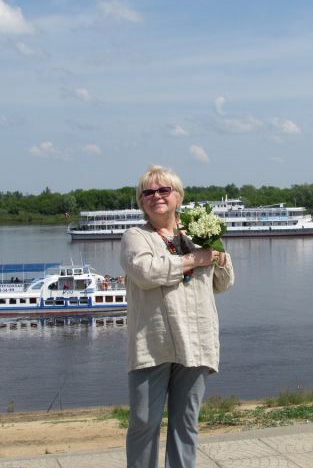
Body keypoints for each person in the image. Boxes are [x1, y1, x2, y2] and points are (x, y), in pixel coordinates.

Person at [120, 165, 235, 468]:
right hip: (153, 342)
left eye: (163, 190)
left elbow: (223, 284)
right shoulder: (136, 237)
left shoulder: (199, 232)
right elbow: (146, 273)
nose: (156, 196)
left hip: (196, 341)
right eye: (148, 192)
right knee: (144, 421)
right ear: (141, 201)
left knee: (186, 423)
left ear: (178, 196)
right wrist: (194, 259)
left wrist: (219, 255)